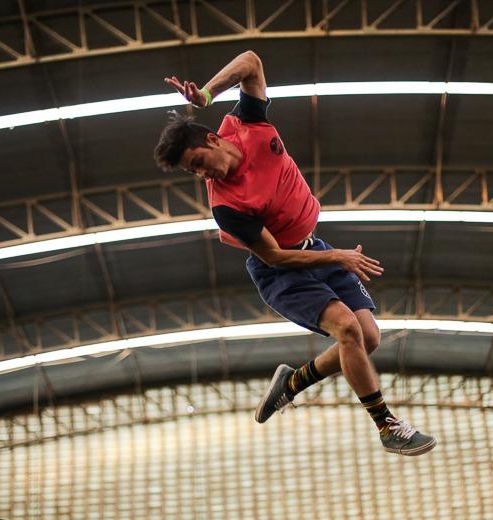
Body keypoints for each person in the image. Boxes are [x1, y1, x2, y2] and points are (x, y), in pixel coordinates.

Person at [153, 50, 435, 456]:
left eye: (199, 162)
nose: (203, 175)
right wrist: (338, 257)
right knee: (349, 331)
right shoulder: (226, 207)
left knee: (368, 337)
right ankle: (387, 425)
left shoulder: (247, 123)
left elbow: (251, 61)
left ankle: (291, 383)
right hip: (280, 271)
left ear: (214, 139)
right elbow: (275, 258)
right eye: (193, 173)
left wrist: (209, 95)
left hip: (313, 247)